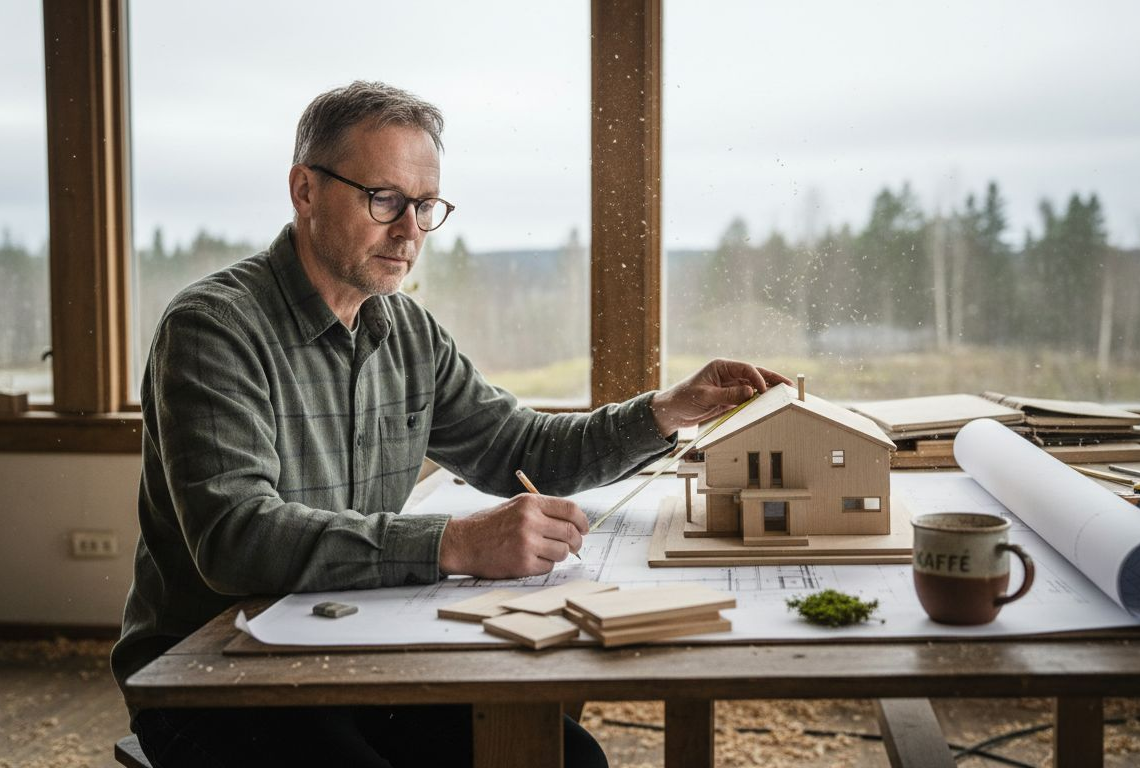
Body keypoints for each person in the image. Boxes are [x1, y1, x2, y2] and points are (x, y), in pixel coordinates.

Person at [112, 80, 787, 768]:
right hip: (214, 670)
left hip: (354, 645)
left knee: (569, 761)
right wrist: (456, 543)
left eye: (425, 205)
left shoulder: (406, 332)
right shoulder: (214, 328)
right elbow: (237, 538)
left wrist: (665, 411)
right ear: (305, 190)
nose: (409, 231)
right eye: (384, 200)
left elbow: (523, 449)